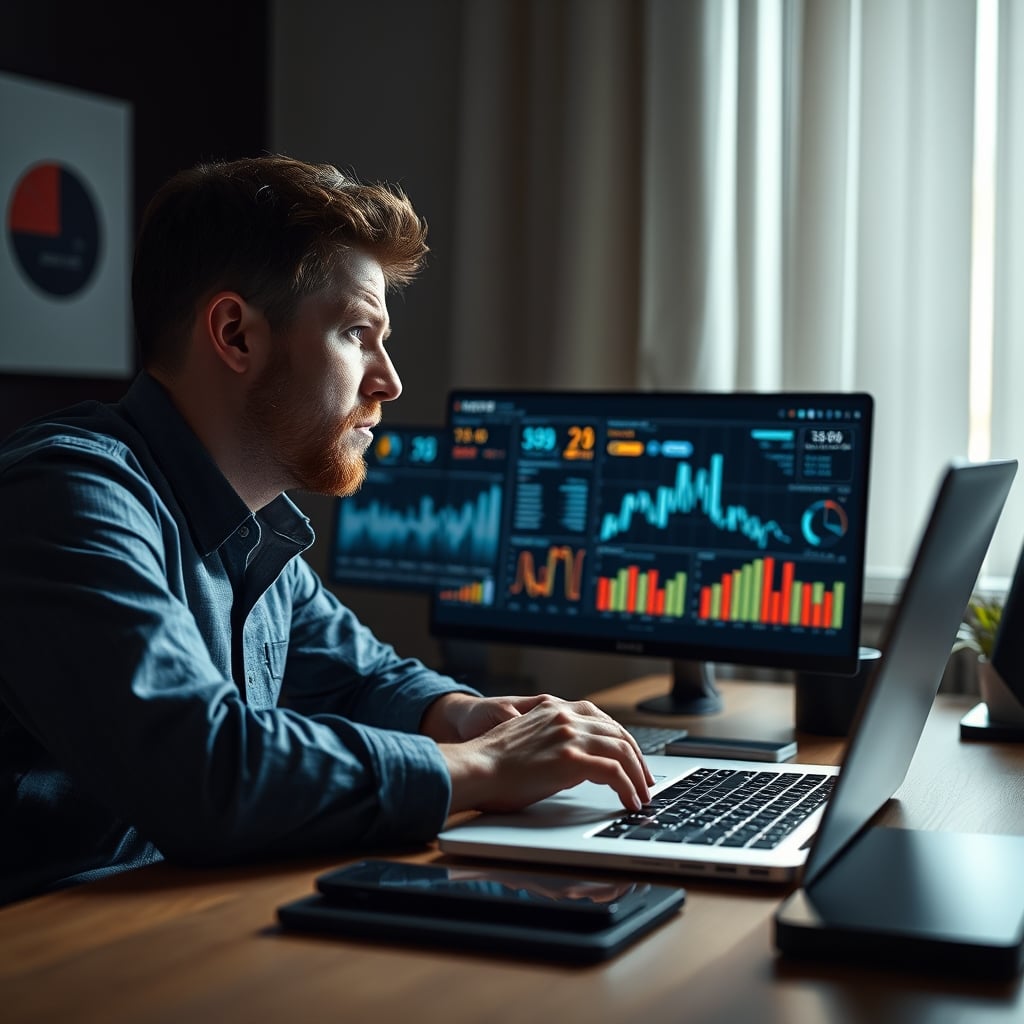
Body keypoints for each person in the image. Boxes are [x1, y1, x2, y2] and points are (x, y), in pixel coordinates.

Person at [0, 154, 652, 904]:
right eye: (357, 333)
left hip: (167, 918)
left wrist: (469, 715)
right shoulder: (67, 497)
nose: (389, 381)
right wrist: (485, 766)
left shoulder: (255, 528)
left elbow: (362, 677)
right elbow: (202, 770)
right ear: (236, 335)